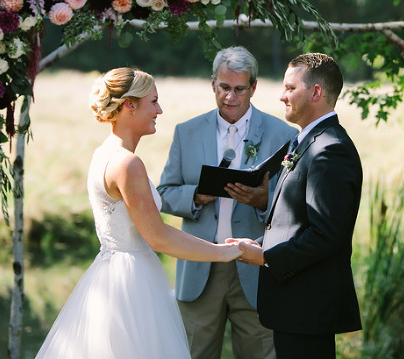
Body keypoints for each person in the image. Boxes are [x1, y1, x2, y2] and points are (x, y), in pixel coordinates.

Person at [35, 68, 242, 359]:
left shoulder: (103, 154)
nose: (160, 110)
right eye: (153, 101)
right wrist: (222, 252)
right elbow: (158, 237)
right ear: (130, 104)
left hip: (111, 273)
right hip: (130, 285)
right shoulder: (127, 164)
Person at [157, 46, 297, 359]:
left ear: (254, 88)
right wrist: (196, 195)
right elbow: (163, 192)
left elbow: (294, 205)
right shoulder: (186, 132)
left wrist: (264, 201)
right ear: (212, 84)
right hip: (199, 267)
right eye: (223, 88)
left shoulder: (283, 134)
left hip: (256, 267)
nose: (229, 97)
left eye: (238, 89)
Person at [231, 53, 363, 359]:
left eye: (290, 88)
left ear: (316, 92)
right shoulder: (308, 141)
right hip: (294, 305)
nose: (281, 95)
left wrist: (266, 257)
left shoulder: (330, 150)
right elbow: (297, 220)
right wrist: (261, 242)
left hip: (309, 308)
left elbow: (326, 234)